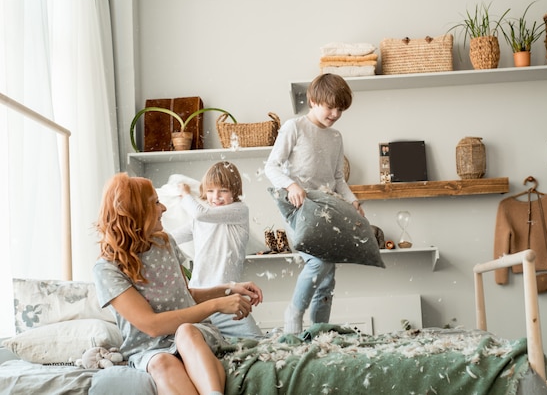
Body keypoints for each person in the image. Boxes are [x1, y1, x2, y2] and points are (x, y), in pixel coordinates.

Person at [93, 172, 263, 395]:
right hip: (148, 346)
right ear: (135, 212)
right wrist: (217, 304)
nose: (163, 208)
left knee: (185, 332)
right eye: (155, 203)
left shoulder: (164, 242)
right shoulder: (107, 268)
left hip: (192, 332)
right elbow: (152, 326)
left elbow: (185, 295)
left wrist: (229, 288)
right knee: (161, 362)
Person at [264, 73, 364, 335]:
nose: (335, 113)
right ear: (312, 100)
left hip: (326, 209)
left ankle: (319, 333)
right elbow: (271, 167)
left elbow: (338, 178)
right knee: (318, 263)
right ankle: (294, 313)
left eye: (340, 109)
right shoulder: (294, 127)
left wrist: (353, 202)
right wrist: (292, 185)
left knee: (327, 278)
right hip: (298, 206)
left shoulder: (335, 137)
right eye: (330, 106)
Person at [172, 161, 263, 339]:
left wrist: (185, 195)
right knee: (199, 341)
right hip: (198, 298)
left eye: (223, 191)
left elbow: (200, 213)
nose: (216, 197)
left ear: (234, 191)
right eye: (211, 191)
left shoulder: (239, 210)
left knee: (257, 342)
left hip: (227, 299)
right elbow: (172, 238)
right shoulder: (198, 222)